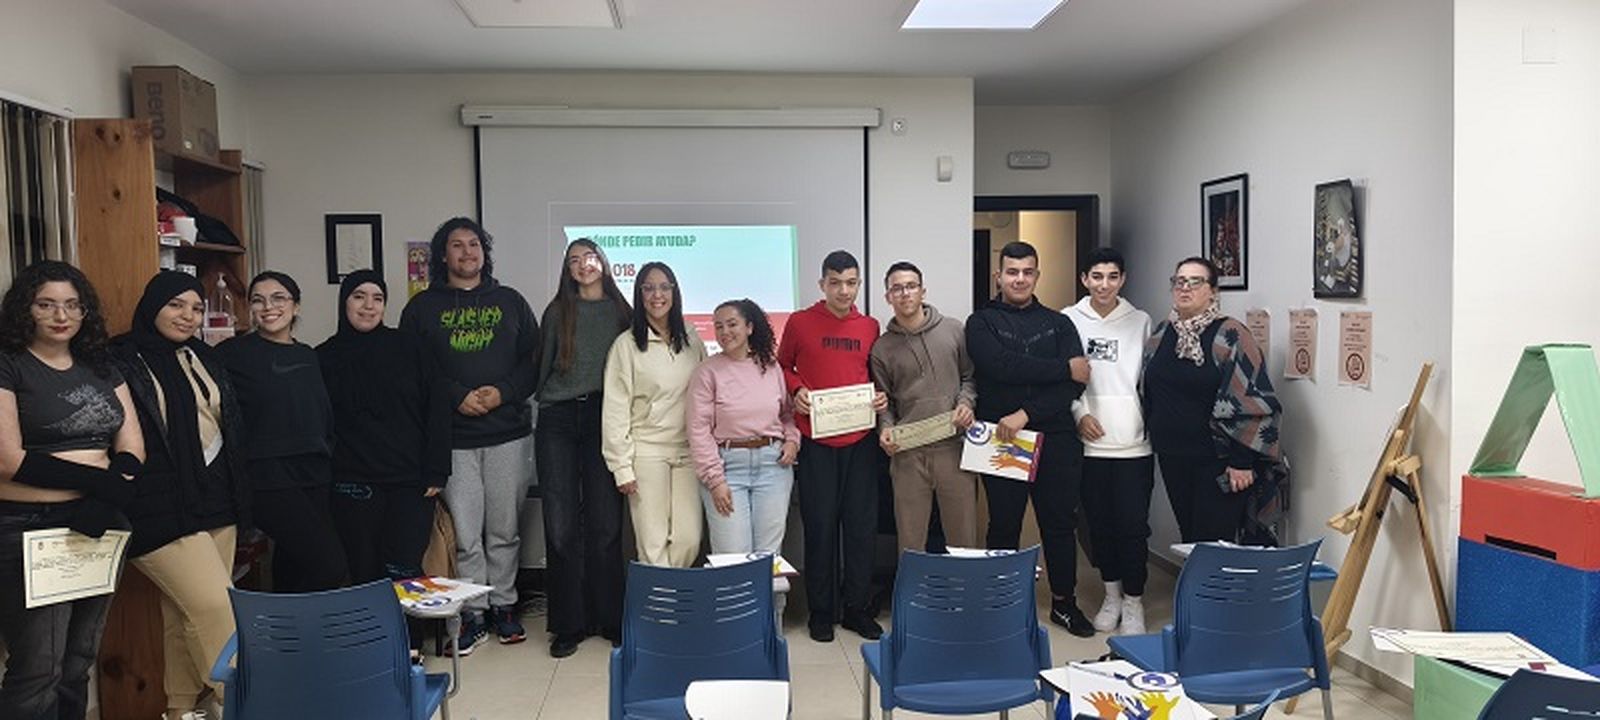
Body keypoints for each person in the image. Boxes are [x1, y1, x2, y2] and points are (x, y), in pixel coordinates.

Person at [0, 261, 142, 720]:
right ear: (26, 309)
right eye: (46, 304)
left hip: (98, 522)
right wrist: (100, 482)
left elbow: (132, 443)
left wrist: (105, 496)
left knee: (79, 662)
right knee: (38, 669)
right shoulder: (8, 364)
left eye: (72, 305)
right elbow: (8, 460)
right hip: (30, 528)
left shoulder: (102, 366)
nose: (61, 315)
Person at [109, 271, 250, 720]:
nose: (187, 316)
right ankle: (244, 703)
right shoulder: (119, 358)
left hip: (215, 500)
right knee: (216, 605)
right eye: (176, 305)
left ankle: (181, 709)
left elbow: (226, 428)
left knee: (185, 614)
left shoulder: (206, 357)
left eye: (196, 308)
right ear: (153, 306)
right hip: (154, 506)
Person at [400, 217, 540, 653]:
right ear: (443, 255)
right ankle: (473, 612)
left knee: (504, 531)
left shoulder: (511, 301)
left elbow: (533, 361)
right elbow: (412, 373)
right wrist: (456, 396)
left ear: (484, 252)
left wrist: (503, 392)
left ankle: (505, 605)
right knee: (465, 534)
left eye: (474, 245)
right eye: (457, 246)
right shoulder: (421, 308)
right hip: (453, 439)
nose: (467, 253)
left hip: (507, 435)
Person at [966, 241, 1095, 637]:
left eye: (1027, 272)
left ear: (1037, 275)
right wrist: (1061, 367)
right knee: (1003, 524)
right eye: (1011, 272)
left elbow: (1075, 386)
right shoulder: (981, 322)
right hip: (1000, 439)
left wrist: (1027, 413)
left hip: (1054, 438)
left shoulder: (1059, 324)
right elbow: (999, 366)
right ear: (998, 276)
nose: (1019, 279)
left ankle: (1063, 603)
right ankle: (1001, 603)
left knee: (1058, 524)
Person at [776, 250, 887, 643]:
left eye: (851, 282)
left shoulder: (871, 326)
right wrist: (797, 390)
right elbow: (781, 367)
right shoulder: (801, 322)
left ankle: (857, 608)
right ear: (822, 284)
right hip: (815, 440)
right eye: (835, 282)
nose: (844, 290)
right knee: (820, 527)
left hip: (860, 442)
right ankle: (821, 612)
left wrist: (881, 398)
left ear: (859, 284)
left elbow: (878, 377)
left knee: (860, 528)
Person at [318, 270, 451, 585]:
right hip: (352, 484)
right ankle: (371, 635)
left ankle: (408, 636)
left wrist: (437, 470)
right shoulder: (322, 357)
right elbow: (318, 424)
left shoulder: (412, 347)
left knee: (404, 569)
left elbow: (437, 409)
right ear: (344, 302)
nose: (368, 306)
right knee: (362, 569)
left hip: (410, 482)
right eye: (358, 297)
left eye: (377, 298)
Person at [218, 271, 348, 592]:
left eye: (278, 298)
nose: (268, 307)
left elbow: (320, 412)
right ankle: (287, 631)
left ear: (296, 306)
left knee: (295, 563)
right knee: (330, 565)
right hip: (267, 475)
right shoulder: (232, 354)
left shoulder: (307, 354)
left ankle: (291, 638)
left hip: (314, 471)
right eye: (258, 300)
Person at [1142, 257, 1285, 545]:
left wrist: (1241, 461)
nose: (1185, 288)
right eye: (1179, 282)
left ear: (1213, 291)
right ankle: (1197, 591)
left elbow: (1253, 397)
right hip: (1173, 456)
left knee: (1215, 540)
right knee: (1190, 536)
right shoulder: (1162, 334)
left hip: (1218, 461)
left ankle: (1217, 591)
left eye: (1196, 282)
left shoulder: (1231, 334)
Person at [536, 238, 631, 658]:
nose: (582, 265)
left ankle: (610, 617)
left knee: (606, 523)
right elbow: (541, 370)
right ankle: (568, 625)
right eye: (573, 260)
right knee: (560, 525)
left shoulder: (623, 313)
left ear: (604, 263)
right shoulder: (557, 311)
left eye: (589, 257)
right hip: (557, 419)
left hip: (602, 417)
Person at [1063, 247, 1155, 636]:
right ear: (1085, 279)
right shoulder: (1068, 320)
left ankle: (1134, 602)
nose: (1104, 284)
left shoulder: (1141, 321)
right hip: (1088, 443)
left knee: (1132, 526)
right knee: (1098, 525)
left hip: (1135, 444)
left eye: (1112, 276)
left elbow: (1148, 381)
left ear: (1123, 280)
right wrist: (1079, 413)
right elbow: (1062, 379)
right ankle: (1112, 594)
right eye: (1096, 276)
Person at [601, 262, 707, 568]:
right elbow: (615, 409)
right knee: (653, 543)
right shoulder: (627, 345)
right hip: (646, 453)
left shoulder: (691, 338)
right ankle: (663, 613)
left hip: (688, 452)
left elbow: (707, 390)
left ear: (675, 292)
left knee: (689, 539)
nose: (656, 295)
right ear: (638, 294)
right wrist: (621, 466)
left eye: (664, 287)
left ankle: (671, 600)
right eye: (648, 288)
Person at [868, 261, 978, 554]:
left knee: (963, 539)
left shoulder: (954, 330)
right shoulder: (881, 348)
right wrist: (886, 429)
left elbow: (970, 377)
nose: (905, 293)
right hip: (908, 454)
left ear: (923, 290)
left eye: (911, 286)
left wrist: (965, 403)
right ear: (888, 296)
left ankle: (963, 599)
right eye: (897, 288)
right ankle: (913, 600)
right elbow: (885, 401)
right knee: (910, 541)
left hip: (953, 448)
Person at [686, 299, 799, 562]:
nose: (725, 332)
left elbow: (787, 414)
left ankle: (773, 606)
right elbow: (698, 430)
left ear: (749, 327)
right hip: (726, 470)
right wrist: (715, 481)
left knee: (770, 557)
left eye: (732, 324)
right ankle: (737, 606)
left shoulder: (770, 367)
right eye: (718, 326)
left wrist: (792, 441)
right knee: (731, 557)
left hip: (774, 467)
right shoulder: (706, 372)